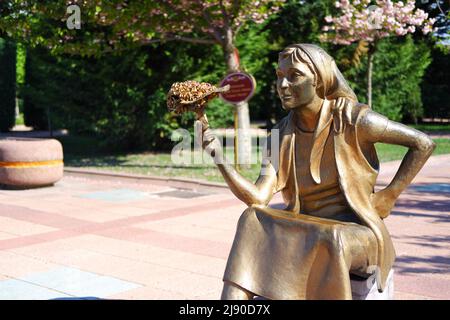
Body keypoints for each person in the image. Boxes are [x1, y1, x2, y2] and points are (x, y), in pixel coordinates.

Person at [196, 44, 435, 300]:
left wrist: (390, 194)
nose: (283, 85)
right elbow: (258, 198)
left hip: (358, 232)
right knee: (251, 219)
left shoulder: (353, 120)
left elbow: (423, 143)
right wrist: (218, 157)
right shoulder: (279, 135)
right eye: (280, 76)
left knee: (331, 237)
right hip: (307, 226)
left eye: (295, 75)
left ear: (319, 80)